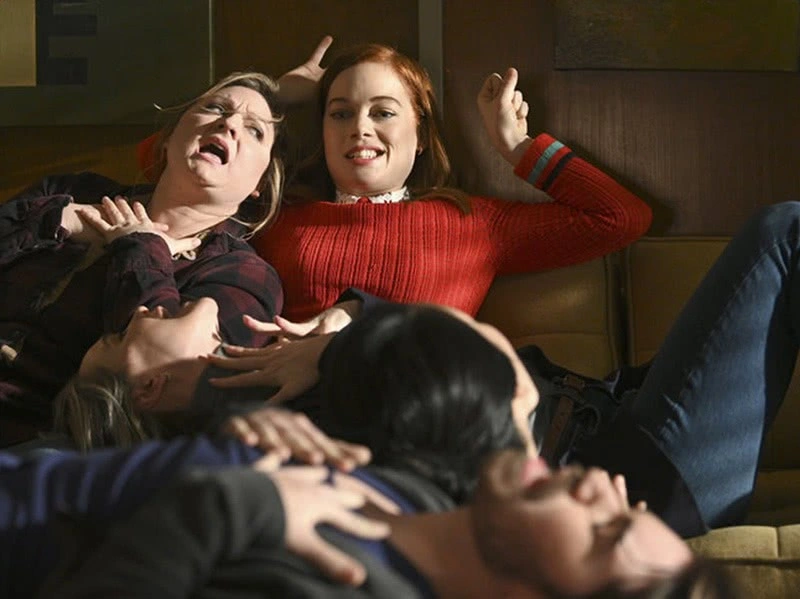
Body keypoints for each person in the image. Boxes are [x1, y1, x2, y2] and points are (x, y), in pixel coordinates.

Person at [136, 38, 652, 321]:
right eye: (340, 113)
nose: (359, 127)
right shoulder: (275, 211)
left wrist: (515, 147)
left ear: (421, 134)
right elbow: (164, 164)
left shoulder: (473, 223)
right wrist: (276, 101)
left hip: (416, 427)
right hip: (292, 425)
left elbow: (621, 218)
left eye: (382, 112)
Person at [0, 70, 286, 446]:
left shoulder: (242, 275)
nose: (229, 123)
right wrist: (60, 218)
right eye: (216, 108)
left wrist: (140, 244)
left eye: (254, 130)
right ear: (168, 139)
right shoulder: (74, 190)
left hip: (42, 441)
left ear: (261, 184)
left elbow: (166, 377)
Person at [35, 447, 734, 598]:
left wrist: (242, 502)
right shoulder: (425, 499)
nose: (601, 483)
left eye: (606, 531)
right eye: (628, 503)